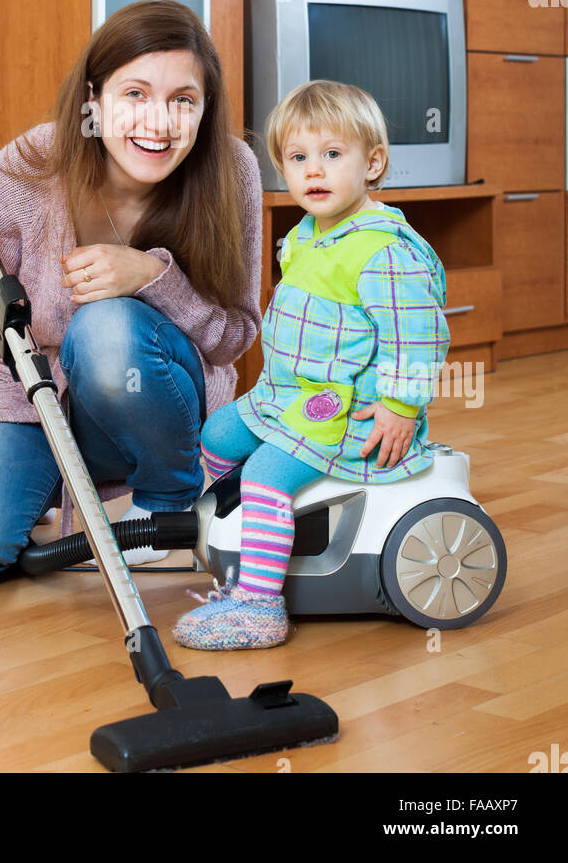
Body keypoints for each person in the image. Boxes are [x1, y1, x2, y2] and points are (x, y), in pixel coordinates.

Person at [0, 0, 263, 585]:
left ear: (205, 110)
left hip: (159, 410)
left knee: (104, 326)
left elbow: (234, 338)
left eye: (183, 101)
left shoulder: (232, 171)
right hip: (28, 398)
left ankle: (164, 507)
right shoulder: (35, 162)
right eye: (135, 95)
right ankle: (45, 483)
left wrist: (153, 278)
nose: (160, 122)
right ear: (94, 100)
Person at [172, 78, 451, 651]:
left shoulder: (383, 250)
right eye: (298, 158)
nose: (314, 172)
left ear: (373, 163)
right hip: (289, 395)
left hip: (344, 411)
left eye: (332, 155)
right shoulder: (307, 235)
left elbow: (417, 339)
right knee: (218, 433)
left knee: (266, 474)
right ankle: (246, 535)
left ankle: (259, 606)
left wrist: (399, 407)